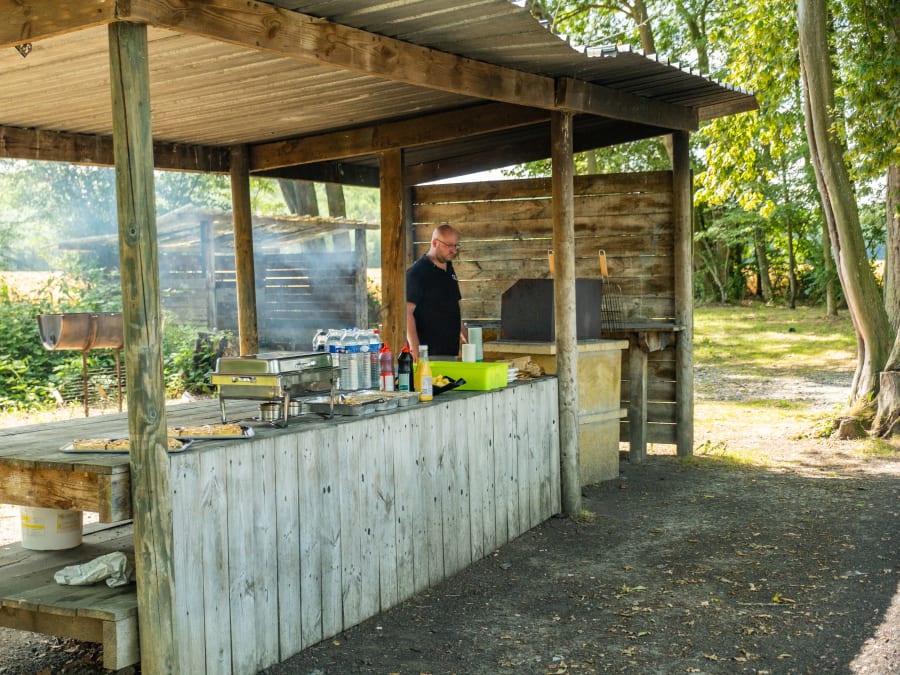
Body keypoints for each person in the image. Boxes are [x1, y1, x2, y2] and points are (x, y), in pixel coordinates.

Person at [406, 224, 468, 359]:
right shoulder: (417, 272)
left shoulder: (449, 269)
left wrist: (468, 341)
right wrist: (415, 349)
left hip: (450, 352)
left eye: (455, 246)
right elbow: (406, 312)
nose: (453, 250)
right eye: (449, 245)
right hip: (427, 354)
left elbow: (454, 309)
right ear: (435, 243)